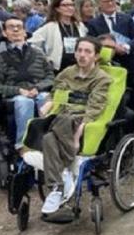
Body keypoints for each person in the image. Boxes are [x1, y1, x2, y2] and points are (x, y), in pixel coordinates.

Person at [37, 37, 112, 214]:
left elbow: (94, 108)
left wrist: (78, 133)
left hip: (79, 118)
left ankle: (59, 181)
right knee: (51, 134)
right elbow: (57, 94)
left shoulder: (103, 78)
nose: (82, 55)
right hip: (60, 118)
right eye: (79, 50)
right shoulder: (66, 73)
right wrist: (49, 102)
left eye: (88, 52)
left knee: (52, 131)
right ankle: (59, 183)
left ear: (96, 56)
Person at [0, 17, 53, 153]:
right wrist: (18, 90)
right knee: (25, 102)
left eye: (19, 27)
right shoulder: (1, 57)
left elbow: (51, 77)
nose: (16, 30)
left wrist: (38, 88)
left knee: (45, 98)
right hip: (16, 97)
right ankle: (23, 145)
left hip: (38, 91)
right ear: (5, 33)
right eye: (11, 27)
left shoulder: (38, 53)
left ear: (25, 32)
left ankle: (49, 142)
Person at [85, 0, 134, 83]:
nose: (110, 3)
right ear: (99, 4)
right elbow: (93, 44)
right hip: (106, 69)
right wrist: (113, 48)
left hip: (129, 66)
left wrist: (126, 47)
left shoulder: (127, 18)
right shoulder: (93, 23)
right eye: (106, 1)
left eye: (112, 0)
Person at [31, 0, 87, 73]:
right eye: (65, 5)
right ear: (57, 8)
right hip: (58, 69)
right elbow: (32, 43)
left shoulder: (79, 25)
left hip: (78, 67)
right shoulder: (49, 27)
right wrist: (45, 58)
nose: (69, 8)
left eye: (71, 5)